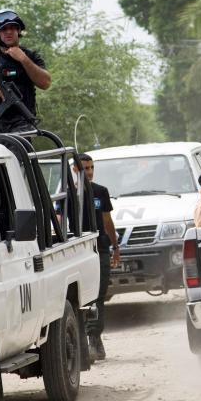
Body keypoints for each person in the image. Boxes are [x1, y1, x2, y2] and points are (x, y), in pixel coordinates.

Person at [73, 153, 120, 361]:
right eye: (85, 168)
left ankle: (95, 341)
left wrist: (115, 246)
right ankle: (81, 342)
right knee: (80, 297)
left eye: (92, 167)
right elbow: (58, 219)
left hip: (99, 248)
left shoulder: (100, 192)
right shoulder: (67, 194)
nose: (90, 172)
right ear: (75, 169)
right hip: (76, 250)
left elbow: (107, 221)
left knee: (99, 295)